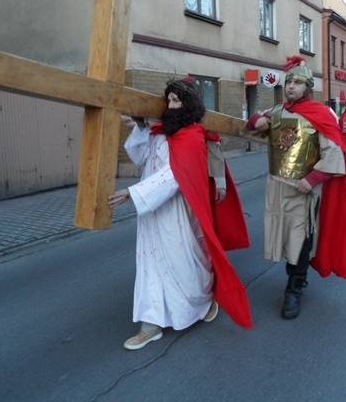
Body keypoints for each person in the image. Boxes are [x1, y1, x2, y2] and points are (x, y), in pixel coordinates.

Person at [108, 80, 253, 350]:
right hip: (152, 212)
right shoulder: (161, 132)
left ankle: (201, 301)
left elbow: (176, 176)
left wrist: (132, 193)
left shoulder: (193, 134)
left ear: (190, 105)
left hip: (177, 213)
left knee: (182, 263)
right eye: (170, 100)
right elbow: (140, 157)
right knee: (150, 264)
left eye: (178, 101)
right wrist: (141, 128)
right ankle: (150, 325)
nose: (172, 106)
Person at [246, 56, 346, 320]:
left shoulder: (320, 115)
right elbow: (252, 127)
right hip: (276, 186)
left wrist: (311, 180)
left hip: (302, 189)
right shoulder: (277, 112)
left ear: (307, 87)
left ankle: (294, 288)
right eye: (289, 82)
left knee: (300, 239)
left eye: (297, 83)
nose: (291, 87)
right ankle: (296, 279)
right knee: (284, 236)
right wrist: (255, 120)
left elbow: (334, 153)